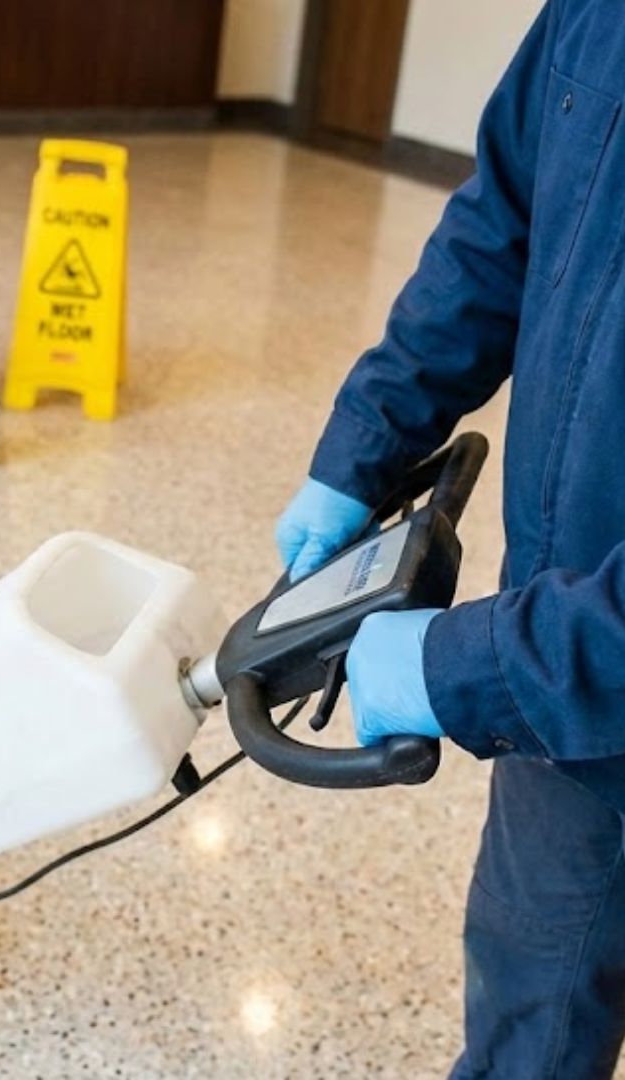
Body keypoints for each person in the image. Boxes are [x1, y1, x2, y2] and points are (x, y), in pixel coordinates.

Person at [274, 2, 625, 1076]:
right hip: (573, 700)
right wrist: (361, 452)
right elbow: (502, 225)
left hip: (560, 655)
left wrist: (471, 666)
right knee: (531, 1007)